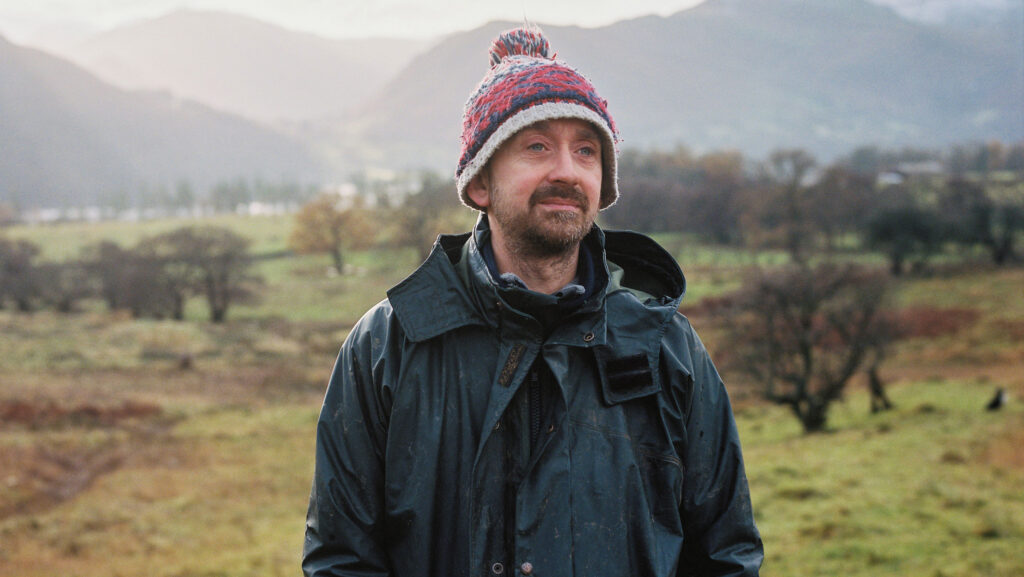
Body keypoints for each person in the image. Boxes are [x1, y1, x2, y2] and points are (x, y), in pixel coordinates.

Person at [303, 27, 763, 577]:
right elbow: (342, 559)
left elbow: (726, 554)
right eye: (537, 145)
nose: (566, 170)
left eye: (586, 151)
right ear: (480, 184)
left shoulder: (664, 346)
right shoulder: (389, 346)